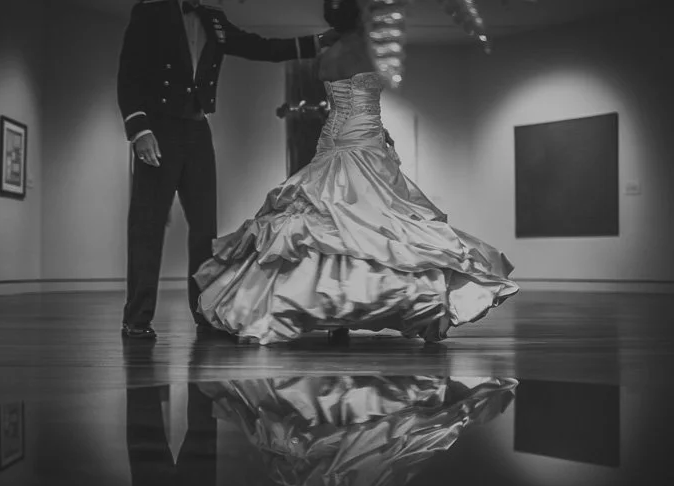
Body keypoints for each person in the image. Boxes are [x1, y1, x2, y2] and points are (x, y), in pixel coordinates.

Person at [193, 0, 520, 345]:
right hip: (364, 141)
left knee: (328, 223)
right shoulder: (370, 50)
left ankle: (335, 316)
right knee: (379, 223)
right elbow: (371, 96)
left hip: (333, 139)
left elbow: (340, 103)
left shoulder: (327, 55)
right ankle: (421, 310)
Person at [118, 0, 341, 339]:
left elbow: (259, 47)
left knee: (205, 229)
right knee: (147, 225)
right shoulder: (151, 11)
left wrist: (315, 43)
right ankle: (136, 319)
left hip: (196, 128)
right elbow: (129, 72)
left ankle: (204, 312)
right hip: (158, 126)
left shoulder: (213, 19)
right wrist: (139, 130)